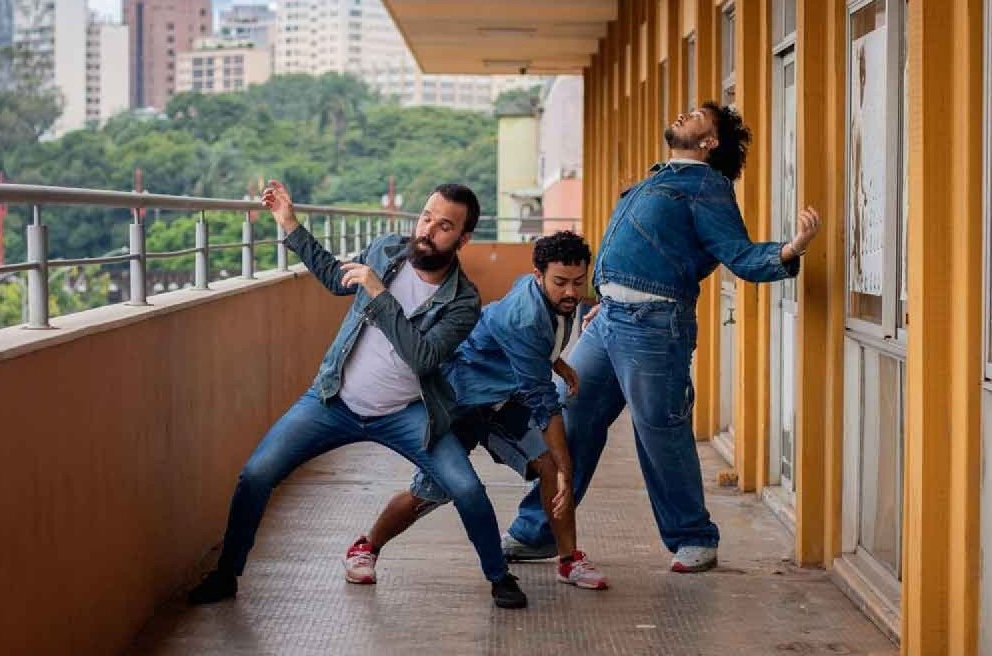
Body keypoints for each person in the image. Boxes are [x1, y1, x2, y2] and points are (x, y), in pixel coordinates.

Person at [502, 102, 822, 573]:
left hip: (654, 326)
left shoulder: (706, 186)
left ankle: (694, 536)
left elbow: (737, 253)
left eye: (696, 116)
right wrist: (602, 303)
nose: (682, 115)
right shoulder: (658, 178)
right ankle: (540, 530)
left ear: (710, 142)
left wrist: (791, 249)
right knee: (569, 421)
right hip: (609, 319)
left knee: (659, 432)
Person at [187, 180, 528, 609]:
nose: (428, 230)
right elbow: (336, 279)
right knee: (256, 475)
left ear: (463, 238)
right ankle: (226, 576)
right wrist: (290, 224)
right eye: (426, 217)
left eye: (444, 226)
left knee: (467, 488)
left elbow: (421, 358)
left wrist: (380, 294)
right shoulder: (386, 250)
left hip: (406, 413)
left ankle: (499, 577)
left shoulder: (463, 302)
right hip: (333, 400)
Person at [343, 231, 610, 591]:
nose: (571, 292)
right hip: (460, 402)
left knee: (548, 465)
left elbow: (506, 335)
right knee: (432, 491)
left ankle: (568, 560)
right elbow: (544, 404)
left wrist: (555, 362)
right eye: (560, 282)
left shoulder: (541, 296)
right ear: (539, 275)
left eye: (578, 282)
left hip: (500, 399)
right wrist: (567, 469)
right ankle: (366, 547)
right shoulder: (525, 318)